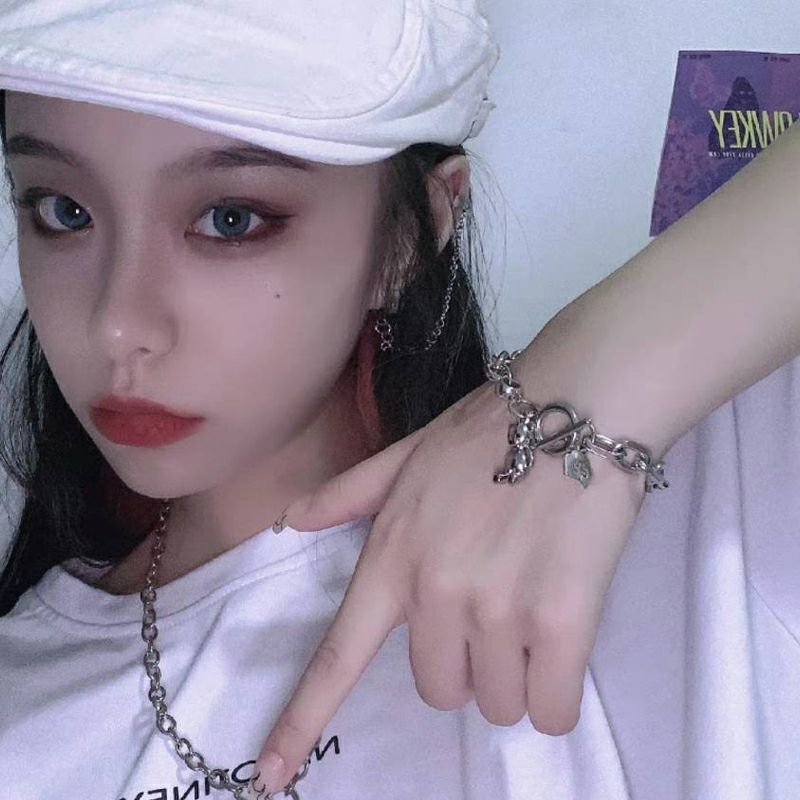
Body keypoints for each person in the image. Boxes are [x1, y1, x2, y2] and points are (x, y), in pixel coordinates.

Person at [0, 3, 798, 800]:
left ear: (409, 236)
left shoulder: (691, 518)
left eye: (229, 219)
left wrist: (584, 372)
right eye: (63, 211)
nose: (117, 326)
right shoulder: (26, 699)